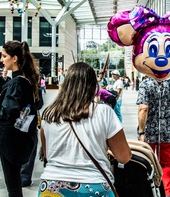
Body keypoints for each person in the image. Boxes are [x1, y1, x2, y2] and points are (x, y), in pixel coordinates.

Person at [38, 62, 131, 197]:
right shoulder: (103, 112)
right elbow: (124, 157)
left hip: (51, 186)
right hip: (93, 187)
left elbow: (48, 155)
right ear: (93, 86)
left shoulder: (49, 115)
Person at [0, 40, 40, 197]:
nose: (2, 60)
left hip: (11, 139)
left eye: (4, 56)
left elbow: (10, 110)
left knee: (13, 186)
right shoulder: (28, 80)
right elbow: (35, 104)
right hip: (25, 136)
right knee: (15, 182)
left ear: (15, 58)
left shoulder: (16, 83)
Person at [137, 76, 170, 197]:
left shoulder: (146, 83)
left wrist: (141, 132)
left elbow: (143, 108)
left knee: (147, 163)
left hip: (149, 131)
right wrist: (169, 113)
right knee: (166, 162)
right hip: (166, 129)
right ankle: (169, 193)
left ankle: (149, 192)